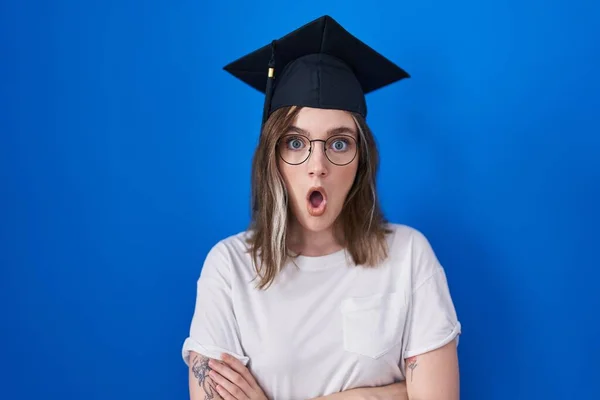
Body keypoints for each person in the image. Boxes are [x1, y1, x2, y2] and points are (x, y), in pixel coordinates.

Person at [181, 15, 462, 400]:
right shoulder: (229, 268)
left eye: (340, 143)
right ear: (273, 159)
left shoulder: (409, 256)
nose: (318, 165)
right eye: (296, 143)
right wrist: (390, 393)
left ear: (361, 159)